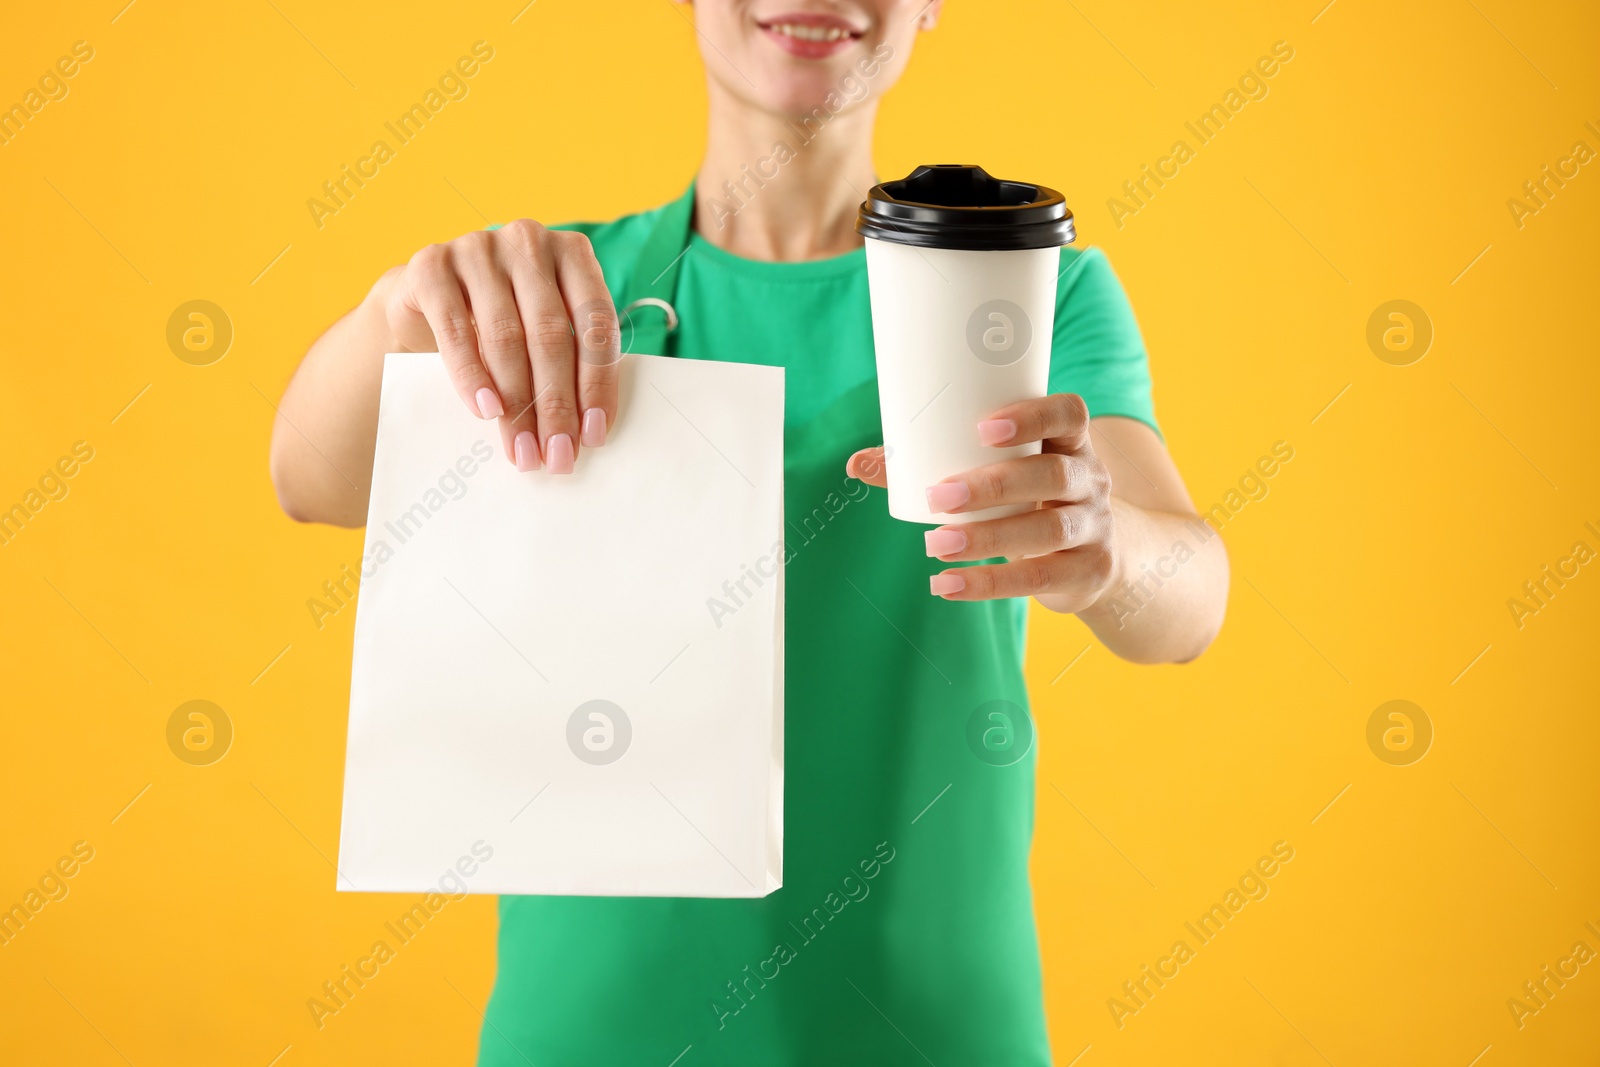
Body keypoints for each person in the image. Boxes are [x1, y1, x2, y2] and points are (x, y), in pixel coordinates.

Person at [269, 2, 1229, 1062]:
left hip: (928, 1028)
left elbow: (1186, 604)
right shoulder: (557, 299)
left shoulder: (1027, 293)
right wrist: (397, 307)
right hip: (593, 1033)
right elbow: (309, 476)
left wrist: (1105, 545)